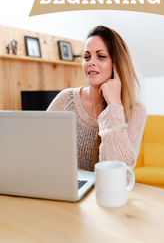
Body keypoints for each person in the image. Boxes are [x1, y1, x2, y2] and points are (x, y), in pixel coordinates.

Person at [47, 25, 146, 171]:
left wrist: (114, 106)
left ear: (117, 64)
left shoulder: (135, 110)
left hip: (106, 191)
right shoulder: (66, 99)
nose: (91, 62)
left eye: (101, 56)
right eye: (86, 57)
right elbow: (39, 145)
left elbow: (120, 171)